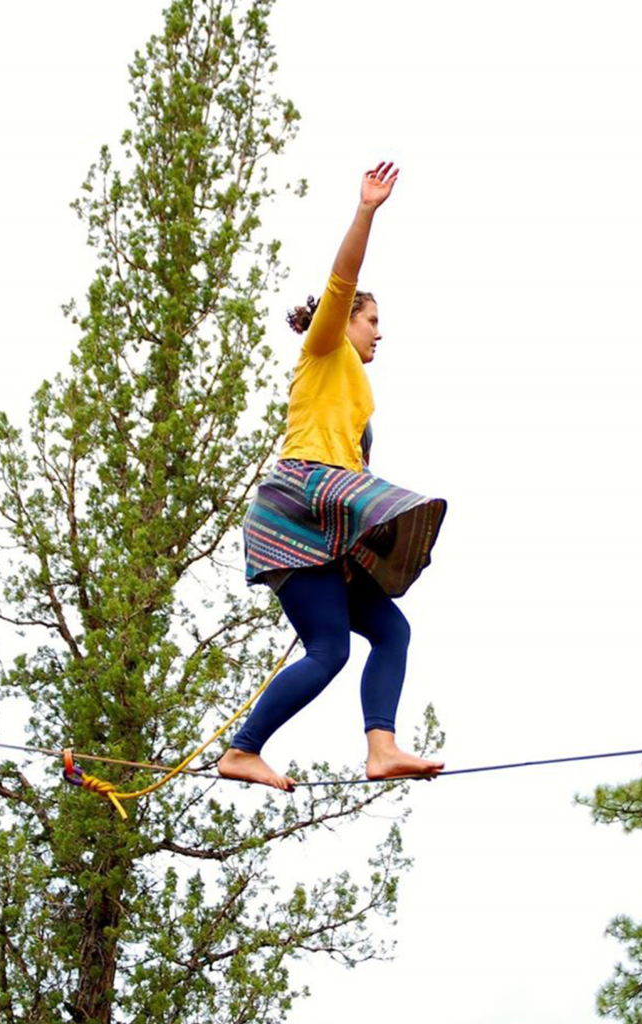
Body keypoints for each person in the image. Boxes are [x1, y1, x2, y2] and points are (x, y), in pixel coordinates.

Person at [218, 161, 447, 791]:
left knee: (391, 631)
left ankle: (382, 747)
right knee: (329, 651)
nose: (379, 332)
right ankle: (243, 750)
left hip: (325, 527)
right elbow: (343, 276)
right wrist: (367, 211)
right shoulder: (326, 348)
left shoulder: (357, 390)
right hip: (295, 513)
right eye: (372, 320)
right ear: (345, 320)